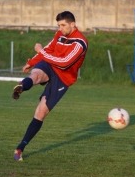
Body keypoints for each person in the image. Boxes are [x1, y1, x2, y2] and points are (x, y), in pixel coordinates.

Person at [12, 11, 88, 161]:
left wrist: (41, 52)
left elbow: (64, 63)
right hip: (50, 64)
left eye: (63, 25)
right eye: (59, 25)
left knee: (40, 113)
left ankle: (20, 148)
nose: (60, 28)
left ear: (73, 24)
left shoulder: (80, 43)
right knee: (36, 75)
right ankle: (21, 86)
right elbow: (48, 50)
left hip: (62, 77)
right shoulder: (59, 35)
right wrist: (32, 62)